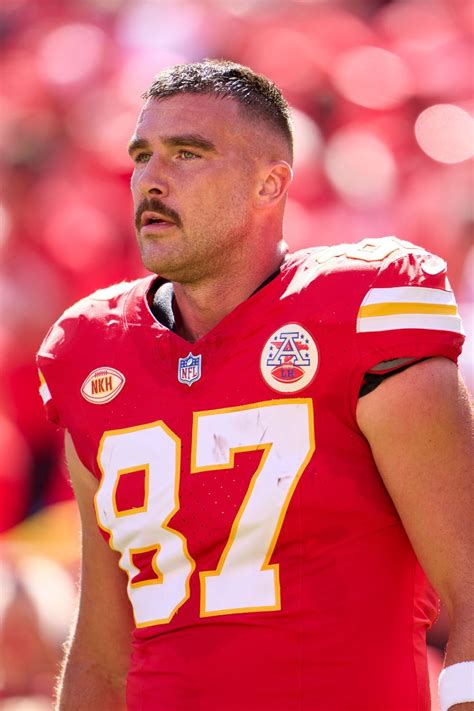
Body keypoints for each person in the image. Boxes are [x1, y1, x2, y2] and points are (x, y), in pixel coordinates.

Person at [36, 60, 473, 711]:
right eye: (142, 155)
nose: (151, 179)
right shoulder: (91, 350)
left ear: (270, 184)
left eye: (187, 153)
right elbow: (102, 650)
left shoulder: (361, 313)